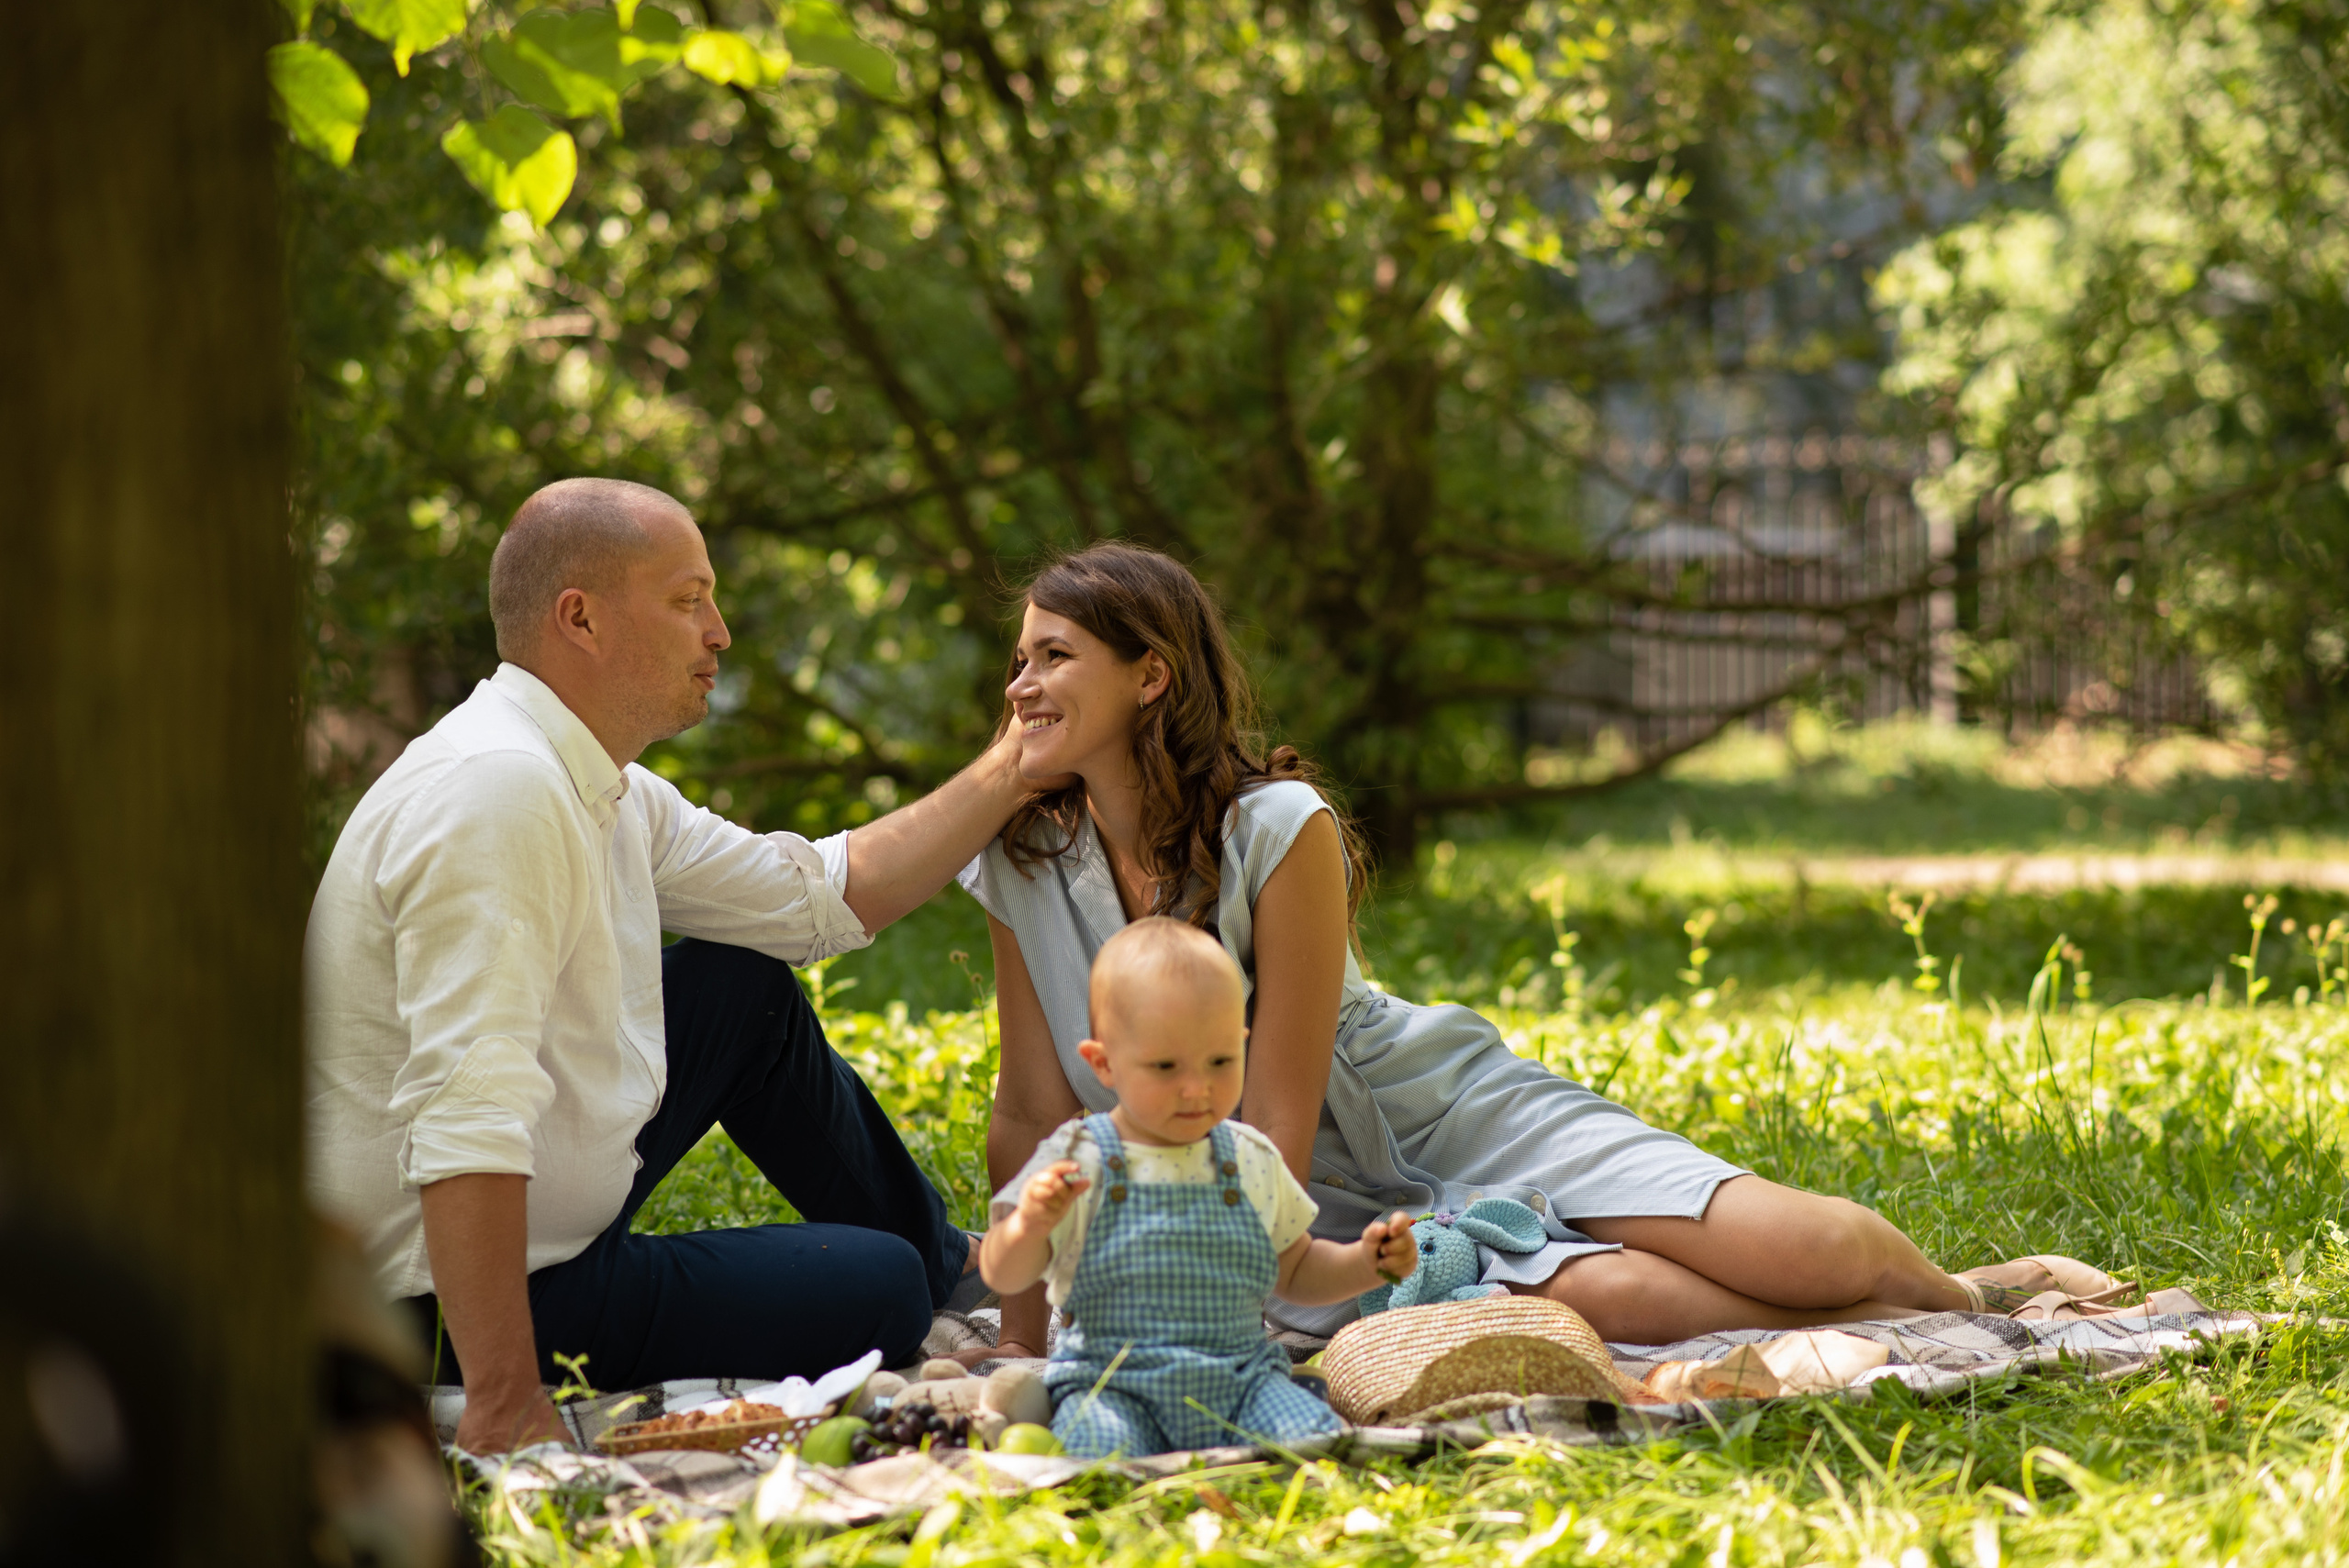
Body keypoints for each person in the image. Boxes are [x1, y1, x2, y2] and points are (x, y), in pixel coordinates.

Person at [962, 542, 2113, 1360]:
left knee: (1800, 1242)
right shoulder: (1020, 859)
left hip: (1431, 1110)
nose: (1020, 687)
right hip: (1307, 1198)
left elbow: (1281, 1104)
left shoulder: (1277, 825)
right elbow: (1027, 1106)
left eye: (1052, 656)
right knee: (1625, 1303)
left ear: (1149, 673)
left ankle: (1970, 1293)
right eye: (1019, 660)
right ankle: (1913, 1334)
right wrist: (1024, 1349)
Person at [306, 478, 1029, 1453]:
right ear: (581, 618)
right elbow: (462, 1112)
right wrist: (507, 1402)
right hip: (436, 1302)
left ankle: (956, 1265)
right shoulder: (498, 795)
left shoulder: (595, 778)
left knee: (742, 984)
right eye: (689, 600)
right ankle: (917, 1276)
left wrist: (1019, 759)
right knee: (878, 1286)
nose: (720, 631)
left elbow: (813, 896)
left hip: (545, 1215)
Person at [979, 917, 1417, 1457]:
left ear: (1242, 1045)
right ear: (1103, 1063)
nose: (1197, 1087)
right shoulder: (1078, 1159)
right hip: (1114, 1384)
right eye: (1166, 1066)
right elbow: (1003, 1270)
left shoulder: (1248, 1159)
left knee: (1321, 1444)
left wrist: (1364, 1263)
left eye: (1219, 1061)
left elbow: (1297, 1270)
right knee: (1095, 1453)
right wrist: (1029, 1224)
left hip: (1239, 1382)